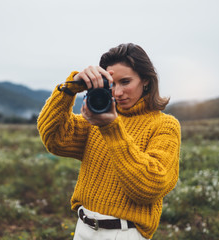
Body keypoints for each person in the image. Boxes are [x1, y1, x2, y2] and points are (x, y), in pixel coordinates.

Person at [37, 43, 181, 240]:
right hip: (83, 228)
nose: (118, 92)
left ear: (146, 80)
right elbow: (54, 138)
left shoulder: (164, 126)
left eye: (125, 82)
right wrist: (70, 88)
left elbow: (150, 187)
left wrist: (112, 129)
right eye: (111, 84)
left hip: (123, 233)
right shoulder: (95, 121)